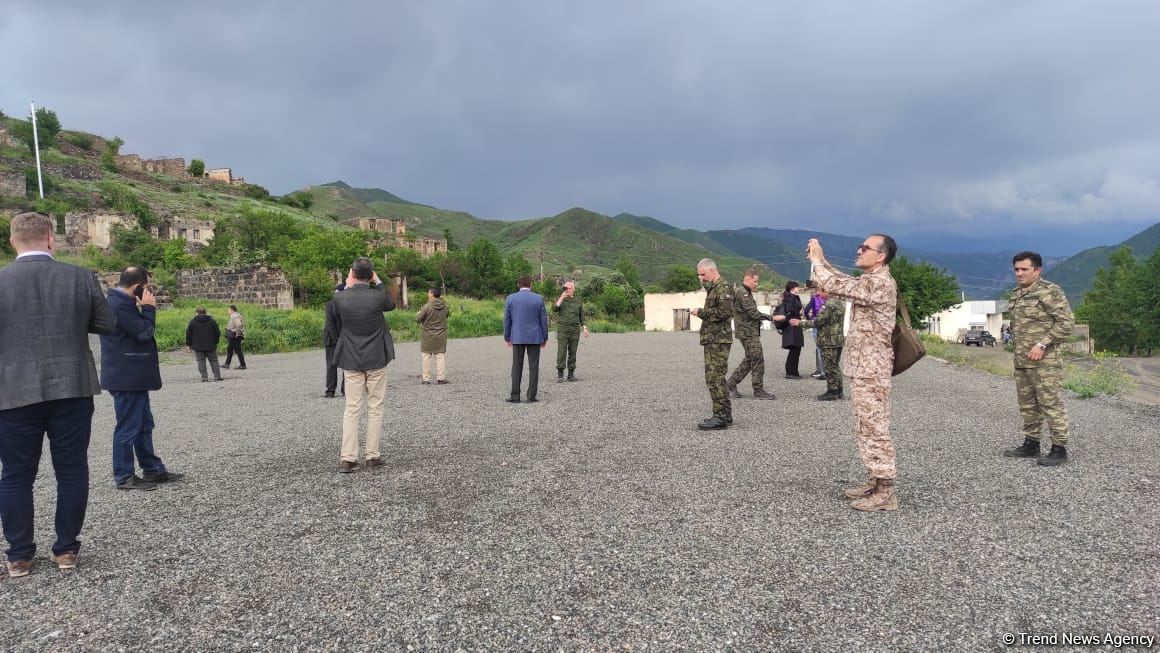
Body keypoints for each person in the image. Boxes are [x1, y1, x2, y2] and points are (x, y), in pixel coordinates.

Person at [0, 212, 116, 577]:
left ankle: (19, 555)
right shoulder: (81, 277)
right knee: (71, 469)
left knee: (16, 474)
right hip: (73, 388)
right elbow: (106, 325)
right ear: (51, 237)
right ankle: (66, 550)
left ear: (12, 240)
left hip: (13, 390)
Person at [808, 234, 899, 512]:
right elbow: (842, 283)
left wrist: (816, 262)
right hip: (865, 367)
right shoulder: (870, 281)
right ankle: (875, 481)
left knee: (874, 427)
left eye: (866, 248)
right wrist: (822, 260)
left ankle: (885, 492)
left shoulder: (880, 282)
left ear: (880, 256)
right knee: (865, 425)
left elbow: (832, 284)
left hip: (872, 369)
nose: (859, 250)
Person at [101, 267, 182, 491]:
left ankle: (152, 469)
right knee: (127, 427)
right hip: (126, 377)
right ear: (137, 286)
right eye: (146, 289)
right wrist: (148, 309)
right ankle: (124, 476)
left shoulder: (119, 302)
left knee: (144, 424)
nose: (149, 293)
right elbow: (143, 333)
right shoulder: (118, 305)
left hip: (132, 376)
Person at [1003, 251, 1075, 466]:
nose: (1019, 273)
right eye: (1016, 269)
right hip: (1022, 360)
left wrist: (1043, 343)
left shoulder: (1049, 292)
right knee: (1027, 404)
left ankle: (1059, 448)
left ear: (1037, 270)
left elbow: (1066, 323)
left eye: (1024, 269)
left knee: (1050, 403)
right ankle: (1031, 443)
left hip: (1045, 362)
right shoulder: (1016, 294)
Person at [331, 258, 396, 473]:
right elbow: (391, 304)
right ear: (371, 275)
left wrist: (348, 285)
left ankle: (348, 458)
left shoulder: (340, 298)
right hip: (376, 357)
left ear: (352, 273)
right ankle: (372, 455)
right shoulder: (378, 297)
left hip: (351, 358)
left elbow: (333, 321)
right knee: (375, 407)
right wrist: (377, 281)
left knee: (352, 408)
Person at [692, 258, 734, 430]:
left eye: (703, 274)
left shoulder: (723, 288)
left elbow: (724, 313)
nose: (701, 278)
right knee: (716, 377)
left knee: (714, 378)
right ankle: (725, 413)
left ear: (711, 271)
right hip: (713, 339)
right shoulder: (714, 288)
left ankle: (720, 416)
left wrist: (701, 312)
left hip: (718, 340)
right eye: (699, 276)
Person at [726, 268, 774, 400]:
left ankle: (731, 383)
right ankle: (758, 390)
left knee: (750, 359)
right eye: (755, 281)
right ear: (747, 279)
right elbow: (753, 313)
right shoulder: (743, 293)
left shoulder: (745, 292)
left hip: (747, 331)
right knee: (758, 359)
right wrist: (771, 318)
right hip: (747, 333)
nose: (756, 284)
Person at [503, 275, 549, 403]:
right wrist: (544, 337)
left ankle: (515, 395)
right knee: (534, 367)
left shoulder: (510, 298)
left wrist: (507, 336)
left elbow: (507, 319)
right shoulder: (539, 299)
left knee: (516, 366)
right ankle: (531, 396)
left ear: (518, 284)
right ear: (531, 285)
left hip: (517, 336)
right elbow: (543, 320)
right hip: (535, 337)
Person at [799, 290, 846, 400]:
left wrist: (800, 323)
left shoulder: (829, 304)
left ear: (827, 290)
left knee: (829, 367)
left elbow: (819, 321)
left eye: (820, 291)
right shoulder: (839, 302)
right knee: (835, 366)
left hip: (828, 340)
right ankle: (839, 391)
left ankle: (832, 392)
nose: (818, 294)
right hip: (837, 339)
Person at [553, 280, 589, 382]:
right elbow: (555, 308)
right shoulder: (560, 300)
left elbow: (582, 317)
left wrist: (585, 328)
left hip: (574, 331)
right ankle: (560, 375)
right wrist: (561, 297)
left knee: (573, 352)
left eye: (569, 288)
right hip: (563, 330)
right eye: (565, 288)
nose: (567, 290)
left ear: (573, 289)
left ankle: (571, 374)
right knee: (561, 352)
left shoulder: (578, 302)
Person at [416, 287, 450, 385]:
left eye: (428, 292)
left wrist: (419, 313)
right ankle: (441, 378)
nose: (428, 294)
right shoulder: (445, 306)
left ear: (432, 294)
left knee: (426, 357)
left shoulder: (427, 306)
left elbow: (418, 319)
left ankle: (426, 379)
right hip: (441, 335)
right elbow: (446, 316)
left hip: (428, 335)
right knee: (440, 357)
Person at [772, 281, 805, 378]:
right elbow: (789, 310)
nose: (798, 288)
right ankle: (790, 372)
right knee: (795, 349)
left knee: (796, 349)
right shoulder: (790, 297)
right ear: (792, 288)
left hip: (795, 324)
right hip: (792, 324)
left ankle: (793, 371)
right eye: (797, 287)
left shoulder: (793, 297)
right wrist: (798, 312)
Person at [185, 307, 222, 382]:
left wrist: (188, 345)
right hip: (211, 345)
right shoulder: (212, 321)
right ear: (205, 312)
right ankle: (217, 376)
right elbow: (217, 333)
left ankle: (204, 378)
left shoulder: (193, 322)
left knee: (200, 361)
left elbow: (188, 334)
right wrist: (216, 341)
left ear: (196, 313)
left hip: (197, 346)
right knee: (214, 360)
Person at [323, 284, 344, 398]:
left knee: (331, 365)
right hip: (343, 338)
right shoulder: (346, 305)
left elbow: (330, 324)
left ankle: (330, 391)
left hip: (331, 340)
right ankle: (345, 390)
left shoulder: (330, 305)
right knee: (347, 365)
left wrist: (336, 338)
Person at [804, 282, 828, 379]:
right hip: (826, 324)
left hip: (815, 322)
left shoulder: (814, 298)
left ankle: (822, 371)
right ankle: (822, 369)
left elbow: (806, 310)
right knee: (823, 347)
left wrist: (808, 319)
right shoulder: (828, 298)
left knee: (819, 347)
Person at [223, 305, 246, 370]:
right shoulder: (237, 315)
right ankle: (228, 364)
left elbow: (239, 325)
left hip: (235, 336)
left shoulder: (234, 316)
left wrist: (235, 331)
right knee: (233, 349)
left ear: (232, 310)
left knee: (233, 349)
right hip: (237, 335)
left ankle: (241, 365)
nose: (228, 311)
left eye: (228, 310)